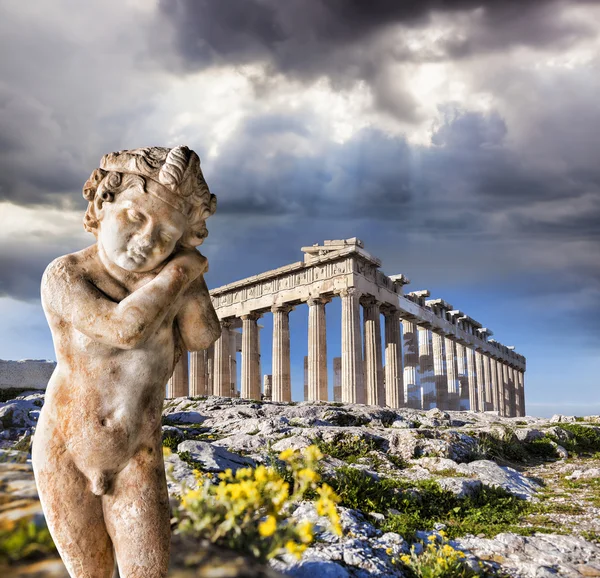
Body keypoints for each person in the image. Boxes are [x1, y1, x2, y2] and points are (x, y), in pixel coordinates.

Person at [31, 146, 221, 578]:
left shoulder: (171, 282)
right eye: (135, 218)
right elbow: (123, 329)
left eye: (167, 234)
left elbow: (202, 335)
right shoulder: (66, 275)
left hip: (138, 452)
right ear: (103, 202)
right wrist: (180, 271)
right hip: (65, 449)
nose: (146, 242)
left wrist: (184, 274)